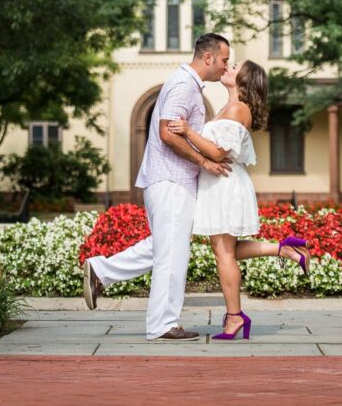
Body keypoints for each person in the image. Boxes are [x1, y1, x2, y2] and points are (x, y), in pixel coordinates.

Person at [82, 33, 232, 341]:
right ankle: (163, 324)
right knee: (172, 254)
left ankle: (100, 271)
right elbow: (167, 132)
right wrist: (204, 162)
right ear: (208, 58)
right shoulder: (183, 85)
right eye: (224, 60)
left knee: (164, 246)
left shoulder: (185, 84)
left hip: (169, 180)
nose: (225, 66)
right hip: (171, 180)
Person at [166, 60, 311, 340]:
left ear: (244, 80)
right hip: (221, 184)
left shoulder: (236, 109)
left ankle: (235, 317)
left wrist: (187, 131)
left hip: (224, 184)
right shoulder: (230, 107)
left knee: (224, 254)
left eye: (235, 66)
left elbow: (219, 153)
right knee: (226, 251)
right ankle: (284, 249)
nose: (228, 66)